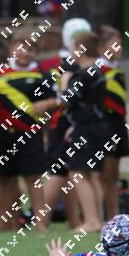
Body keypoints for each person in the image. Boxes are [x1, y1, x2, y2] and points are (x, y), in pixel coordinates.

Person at [0, 30, 58, 232]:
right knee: (5, 178)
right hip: (3, 134)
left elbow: (57, 99)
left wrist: (46, 104)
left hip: (30, 134)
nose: (25, 52)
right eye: (21, 47)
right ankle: (6, 222)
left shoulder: (42, 75)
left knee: (33, 178)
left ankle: (41, 223)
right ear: (11, 48)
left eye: (31, 49)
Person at [47, 31, 107, 232]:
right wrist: (75, 126)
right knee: (91, 174)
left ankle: (91, 221)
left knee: (77, 173)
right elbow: (90, 105)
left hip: (88, 130)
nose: (71, 52)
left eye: (73, 48)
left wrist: (64, 82)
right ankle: (97, 219)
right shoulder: (97, 71)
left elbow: (67, 100)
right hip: (93, 127)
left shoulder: (83, 74)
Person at [40, 17, 91, 230]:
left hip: (65, 123)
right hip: (64, 123)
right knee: (60, 172)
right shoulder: (68, 66)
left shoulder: (57, 64)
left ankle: (74, 221)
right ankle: (41, 222)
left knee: (70, 172)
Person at [96, 25, 129, 220]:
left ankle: (114, 214)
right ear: (101, 47)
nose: (120, 48)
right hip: (105, 125)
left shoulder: (118, 69)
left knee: (114, 175)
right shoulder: (98, 70)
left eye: (120, 44)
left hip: (118, 124)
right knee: (105, 174)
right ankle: (105, 215)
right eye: (115, 44)